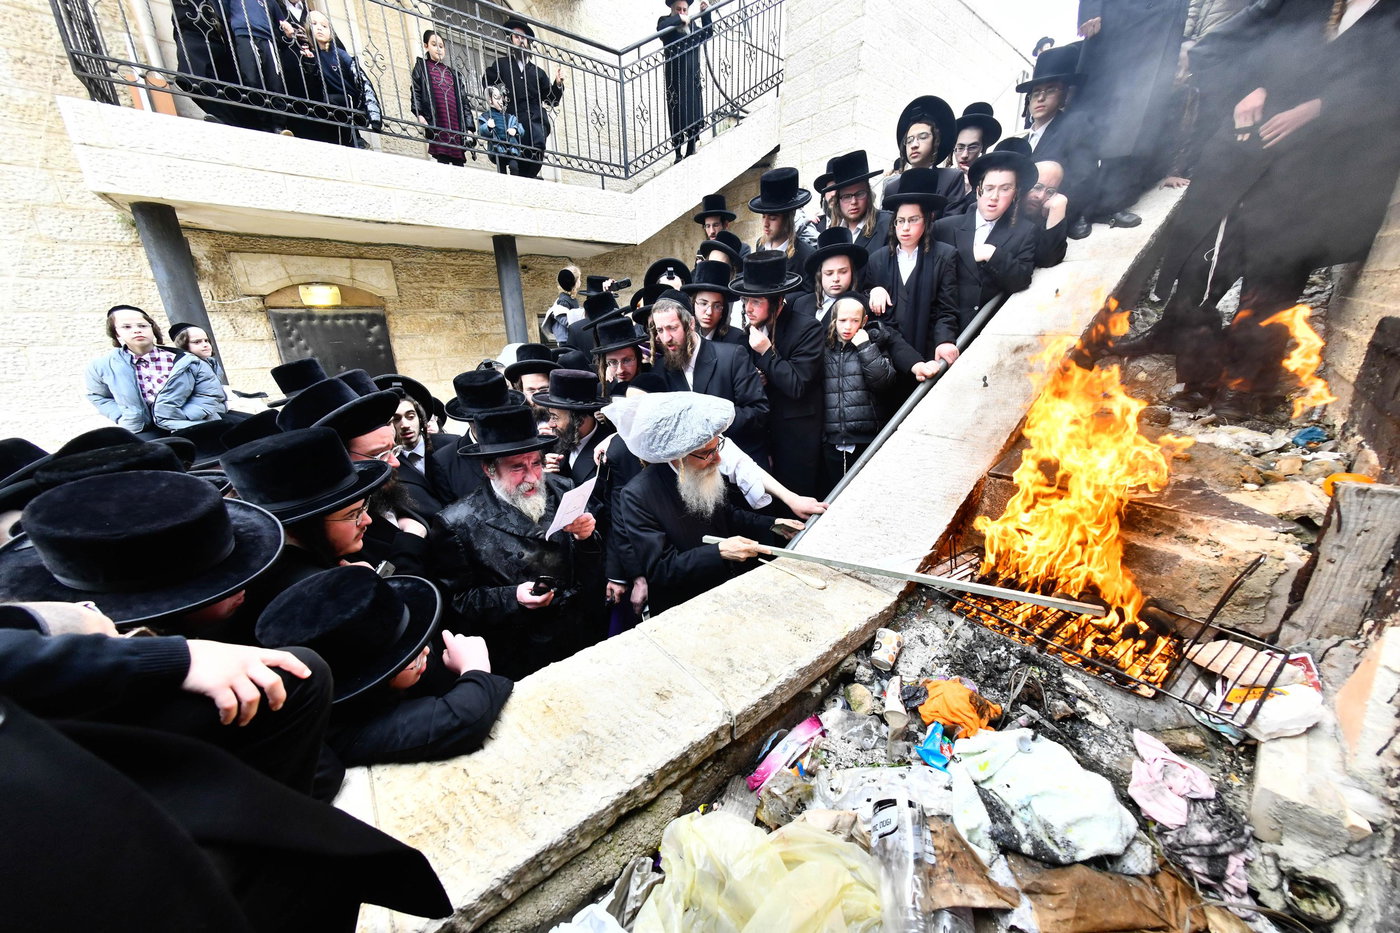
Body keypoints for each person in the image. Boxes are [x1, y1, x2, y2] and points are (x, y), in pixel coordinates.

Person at [1123, 0, 1400, 419]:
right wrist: (1247, 89)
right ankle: (1196, 380)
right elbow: (1212, 49)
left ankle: (1242, 389)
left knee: (1274, 277)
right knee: (1207, 265)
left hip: (1322, 171)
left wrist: (1319, 108)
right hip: (1244, 158)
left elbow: (1389, 87)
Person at [257, 566, 514, 767]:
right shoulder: (340, 727)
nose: (425, 651)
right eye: (405, 656)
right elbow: (462, 719)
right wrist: (474, 666)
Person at [429, 407, 604, 680]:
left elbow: (590, 567)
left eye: (535, 463)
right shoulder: (457, 522)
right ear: (489, 469)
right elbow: (458, 602)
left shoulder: (563, 488)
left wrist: (585, 537)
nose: (532, 476)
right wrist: (513, 597)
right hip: (522, 653)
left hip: (580, 635)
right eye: (517, 467)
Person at [610, 393, 797, 615]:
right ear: (678, 456)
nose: (717, 459)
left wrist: (775, 524)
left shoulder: (703, 468)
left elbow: (728, 514)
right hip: (686, 607)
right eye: (707, 453)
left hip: (725, 589)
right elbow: (662, 569)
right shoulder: (637, 495)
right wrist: (719, 552)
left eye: (717, 448)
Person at [275, 376, 431, 572]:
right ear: (338, 462)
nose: (395, 462)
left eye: (394, 450)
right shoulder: (336, 533)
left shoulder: (388, 494)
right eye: (378, 455)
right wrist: (410, 541)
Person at [1073, 0, 1189, 224]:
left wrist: (1182, 41)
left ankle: (1109, 204)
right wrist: (1090, 9)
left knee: (1134, 125)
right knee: (1093, 121)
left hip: (1162, 38)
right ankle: (1077, 209)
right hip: (1119, 27)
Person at [732, 250, 825, 497]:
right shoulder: (747, 335)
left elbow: (797, 385)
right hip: (761, 440)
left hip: (796, 443)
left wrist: (766, 352)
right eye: (745, 301)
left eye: (756, 301)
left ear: (777, 300)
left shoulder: (808, 329)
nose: (748, 309)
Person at [863, 168, 960, 380]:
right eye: (900, 220)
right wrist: (873, 291)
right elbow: (875, 313)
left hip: (928, 356)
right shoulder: (877, 260)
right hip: (888, 363)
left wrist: (945, 340)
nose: (905, 228)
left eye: (913, 220)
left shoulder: (944, 256)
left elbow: (947, 310)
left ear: (927, 220)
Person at [650, 292, 768, 461]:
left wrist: (712, 419)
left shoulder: (732, 356)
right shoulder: (660, 370)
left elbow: (758, 412)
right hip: (693, 469)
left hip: (741, 463)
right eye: (660, 330)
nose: (666, 338)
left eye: (672, 328)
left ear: (690, 323)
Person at [933, 152, 1039, 335]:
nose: (994, 196)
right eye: (989, 188)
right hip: (940, 331)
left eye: (1005, 189)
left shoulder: (1025, 231)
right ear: (977, 190)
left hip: (986, 332)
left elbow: (1021, 278)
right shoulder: (945, 227)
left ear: (1015, 194)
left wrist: (992, 254)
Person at [86, 305, 227, 438]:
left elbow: (209, 392)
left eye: (142, 326)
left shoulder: (187, 361)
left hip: (190, 424)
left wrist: (185, 415)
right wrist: (124, 416)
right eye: (127, 327)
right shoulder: (102, 366)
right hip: (142, 431)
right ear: (116, 334)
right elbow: (99, 397)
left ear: (153, 329)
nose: (136, 330)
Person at [1018, 43, 1102, 239]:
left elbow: (1084, 176)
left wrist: (1058, 210)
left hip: (1049, 218)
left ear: (1064, 96)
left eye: (1050, 90)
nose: (1041, 98)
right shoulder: (1021, 141)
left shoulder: (1075, 128)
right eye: (1036, 92)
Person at [821, 293, 899, 490]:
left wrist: (865, 347)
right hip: (833, 438)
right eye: (843, 320)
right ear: (834, 320)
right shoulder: (824, 348)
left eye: (854, 321)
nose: (848, 326)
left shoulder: (874, 344)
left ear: (864, 321)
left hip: (867, 438)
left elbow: (884, 382)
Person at [482, 18, 566, 180]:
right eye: (516, 37)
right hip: (514, 120)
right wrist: (498, 97)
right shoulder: (502, 65)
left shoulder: (537, 72)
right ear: (511, 40)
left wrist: (558, 84)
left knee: (534, 159)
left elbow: (551, 99)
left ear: (528, 41)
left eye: (523, 38)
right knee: (514, 160)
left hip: (535, 123)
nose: (520, 41)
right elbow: (487, 83)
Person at [432, 370, 526, 503]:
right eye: (486, 418)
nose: (496, 422)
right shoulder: (445, 461)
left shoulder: (527, 445)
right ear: (469, 419)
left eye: (501, 415)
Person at [298, 12, 381, 148]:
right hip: (325, 106)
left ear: (331, 32)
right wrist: (309, 63)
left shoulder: (340, 54)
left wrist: (375, 118)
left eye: (324, 26)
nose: (319, 28)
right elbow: (312, 87)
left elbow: (362, 81)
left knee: (332, 105)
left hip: (346, 100)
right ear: (308, 28)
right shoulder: (310, 55)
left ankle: (354, 141)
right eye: (314, 24)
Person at [216, 0, 293, 135]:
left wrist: (287, 28)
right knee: (251, 80)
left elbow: (281, 21)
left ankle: (278, 125)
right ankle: (262, 123)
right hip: (244, 35)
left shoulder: (270, 2)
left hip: (267, 39)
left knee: (275, 83)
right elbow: (223, 12)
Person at [882, 95, 962, 208]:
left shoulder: (951, 178)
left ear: (936, 141)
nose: (914, 145)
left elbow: (952, 220)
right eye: (909, 140)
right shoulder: (892, 187)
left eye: (923, 137)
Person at [534, 369, 611, 485]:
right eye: (549, 416)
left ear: (579, 419)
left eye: (555, 417)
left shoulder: (610, 450)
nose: (550, 424)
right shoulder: (555, 443)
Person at [411, 29, 476, 167]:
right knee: (443, 158)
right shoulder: (422, 67)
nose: (438, 49)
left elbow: (464, 102)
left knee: (458, 160)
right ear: (426, 46)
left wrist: (469, 127)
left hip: (455, 122)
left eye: (441, 46)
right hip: (438, 119)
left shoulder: (453, 73)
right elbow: (416, 91)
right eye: (434, 45)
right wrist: (420, 114)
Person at [658, 0, 711, 163]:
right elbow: (660, 29)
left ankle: (691, 146)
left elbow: (707, 34)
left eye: (684, 10)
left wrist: (706, 14)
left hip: (692, 75)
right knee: (676, 111)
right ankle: (678, 152)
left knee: (693, 109)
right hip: (675, 76)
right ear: (672, 10)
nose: (682, 12)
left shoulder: (692, 25)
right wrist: (680, 19)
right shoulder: (665, 22)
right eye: (678, 9)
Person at [748, 167, 818, 291]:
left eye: (773, 218)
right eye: (763, 217)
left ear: (788, 220)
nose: (765, 224)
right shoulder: (760, 244)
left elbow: (808, 298)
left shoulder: (806, 255)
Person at [792, 226, 868, 325]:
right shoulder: (801, 304)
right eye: (829, 273)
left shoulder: (862, 305)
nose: (836, 279)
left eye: (843, 271)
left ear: (852, 272)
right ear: (820, 274)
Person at [820, 150, 892, 251]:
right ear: (838, 200)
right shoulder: (833, 232)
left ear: (869, 194)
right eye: (847, 196)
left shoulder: (888, 224)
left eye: (860, 194)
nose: (853, 201)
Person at [945, 103, 1003, 215]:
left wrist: (970, 193)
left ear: (982, 148)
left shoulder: (990, 183)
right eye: (960, 147)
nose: (965, 155)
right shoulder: (944, 178)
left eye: (972, 147)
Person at [682, 260, 745, 344]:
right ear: (693, 304)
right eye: (703, 304)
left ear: (724, 309)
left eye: (717, 306)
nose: (709, 312)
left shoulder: (736, 340)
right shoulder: (685, 337)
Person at [1024, 158, 1070, 268]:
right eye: (1037, 187)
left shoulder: (1041, 218)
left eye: (1050, 192)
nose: (1040, 196)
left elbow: (1048, 259)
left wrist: (1057, 209)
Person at [504, 342, 561, 428]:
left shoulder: (566, 420)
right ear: (520, 390)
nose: (537, 398)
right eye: (531, 390)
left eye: (543, 390)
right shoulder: (512, 422)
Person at [590, 314, 650, 391]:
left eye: (627, 360)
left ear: (638, 358)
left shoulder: (654, 380)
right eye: (613, 362)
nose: (620, 370)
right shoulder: (603, 390)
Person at [478, 84, 524, 174]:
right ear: (490, 100)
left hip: (511, 147)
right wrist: (487, 126)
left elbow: (520, 128)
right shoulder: (486, 116)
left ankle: (516, 184)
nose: (501, 101)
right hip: (497, 148)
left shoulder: (508, 117)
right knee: (501, 168)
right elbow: (480, 131)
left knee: (514, 166)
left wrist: (515, 129)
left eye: (501, 98)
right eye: (497, 98)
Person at [694, 194, 751, 260]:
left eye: (715, 225)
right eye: (707, 226)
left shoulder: (742, 249)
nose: (712, 231)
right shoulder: (701, 253)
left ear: (726, 224)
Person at [542, 266, 581, 344]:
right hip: (566, 341)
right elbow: (564, 320)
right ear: (574, 282)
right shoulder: (563, 301)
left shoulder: (570, 299)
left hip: (571, 339)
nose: (580, 281)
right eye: (579, 279)